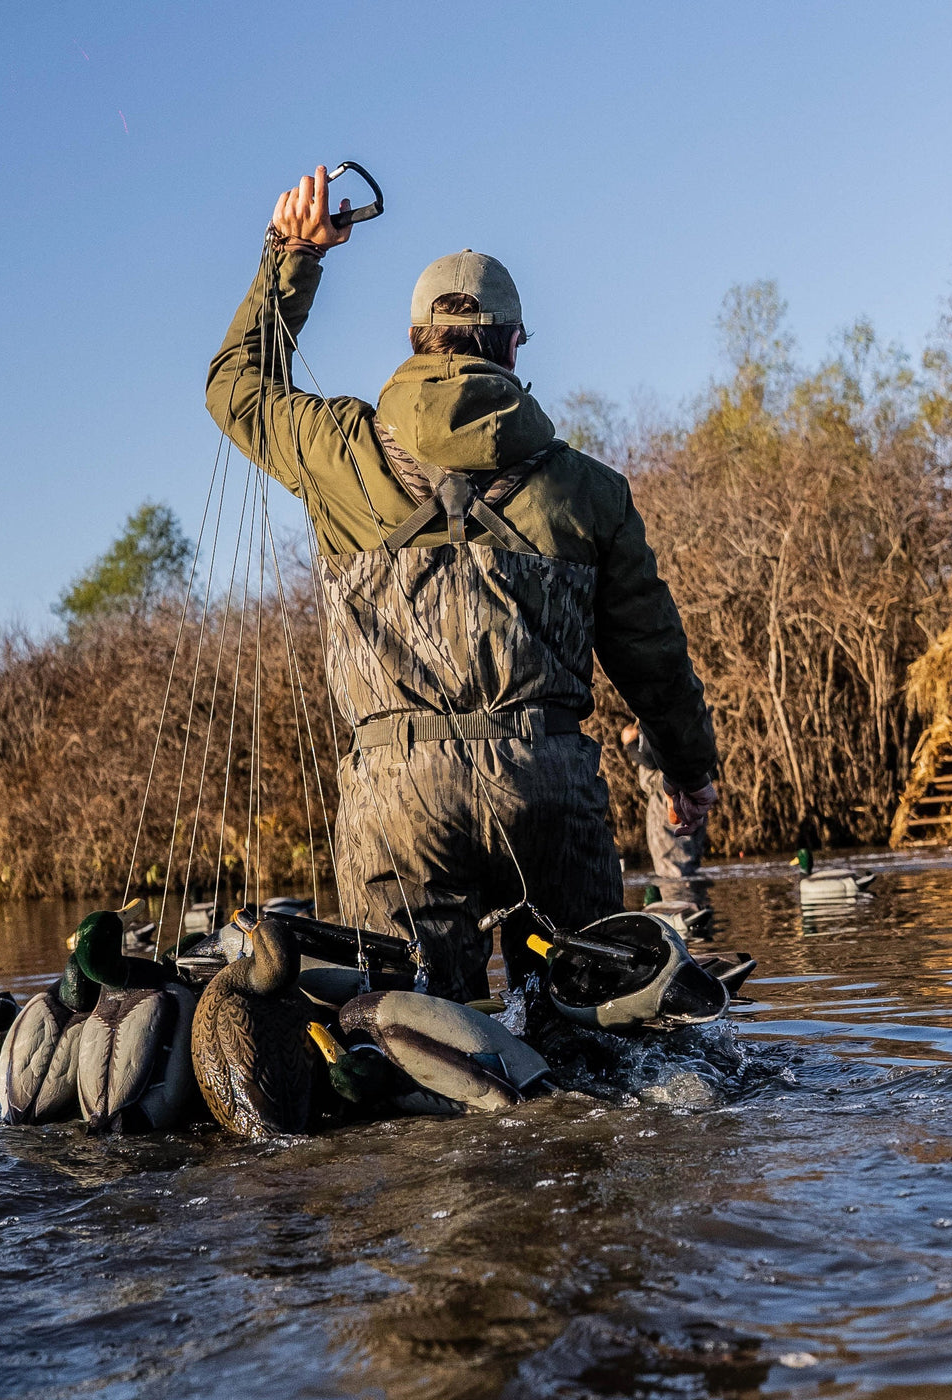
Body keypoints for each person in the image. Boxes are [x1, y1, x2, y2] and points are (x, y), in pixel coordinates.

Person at [206, 165, 717, 1002]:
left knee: (405, 1048)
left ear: (414, 345)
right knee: (591, 1051)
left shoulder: (339, 449)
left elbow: (237, 388)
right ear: (514, 348)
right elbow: (652, 656)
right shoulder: (590, 491)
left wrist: (293, 256)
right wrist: (687, 771)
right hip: (549, 782)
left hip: (396, 800)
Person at [621, 719, 708, 903]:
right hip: (694, 787)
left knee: (671, 867)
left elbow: (650, 758)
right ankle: (696, 910)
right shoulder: (688, 701)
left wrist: (630, 744)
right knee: (687, 864)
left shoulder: (655, 700)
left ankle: (682, 915)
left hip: (668, 791)